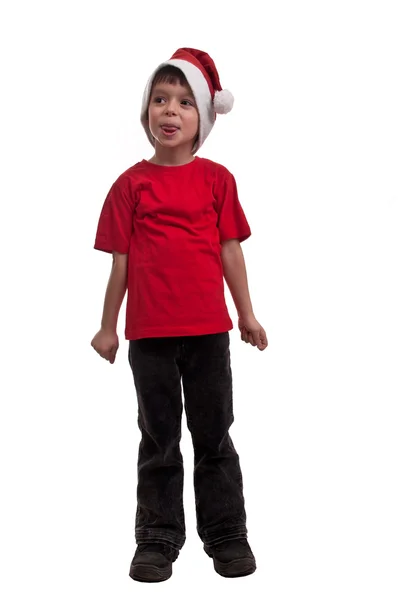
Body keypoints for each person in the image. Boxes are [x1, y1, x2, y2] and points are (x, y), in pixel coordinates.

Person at [91, 47, 268, 583]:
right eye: (161, 100)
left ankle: (227, 533)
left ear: (204, 118)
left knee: (214, 433)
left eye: (185, 102)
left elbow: (231, 250)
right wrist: (106, 325)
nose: (170, 111)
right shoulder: (129, 186)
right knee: (159, 437)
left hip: (210, 332)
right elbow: (121, 262)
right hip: (150, 337)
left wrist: (247, 313)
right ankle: (158, 537)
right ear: (147, 112)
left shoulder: (217, 180)